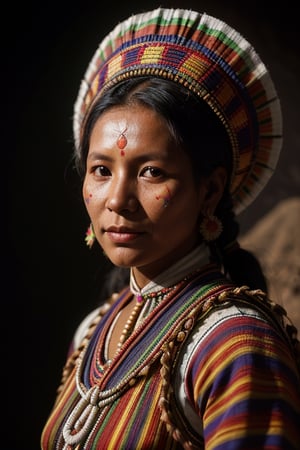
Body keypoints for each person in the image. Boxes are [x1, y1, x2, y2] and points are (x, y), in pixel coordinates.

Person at [41, 7, 300, 450]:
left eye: (152, 172)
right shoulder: (92, 332)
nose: (118, 200)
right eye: (101, 170)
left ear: (210, 189)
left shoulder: (234, 343)